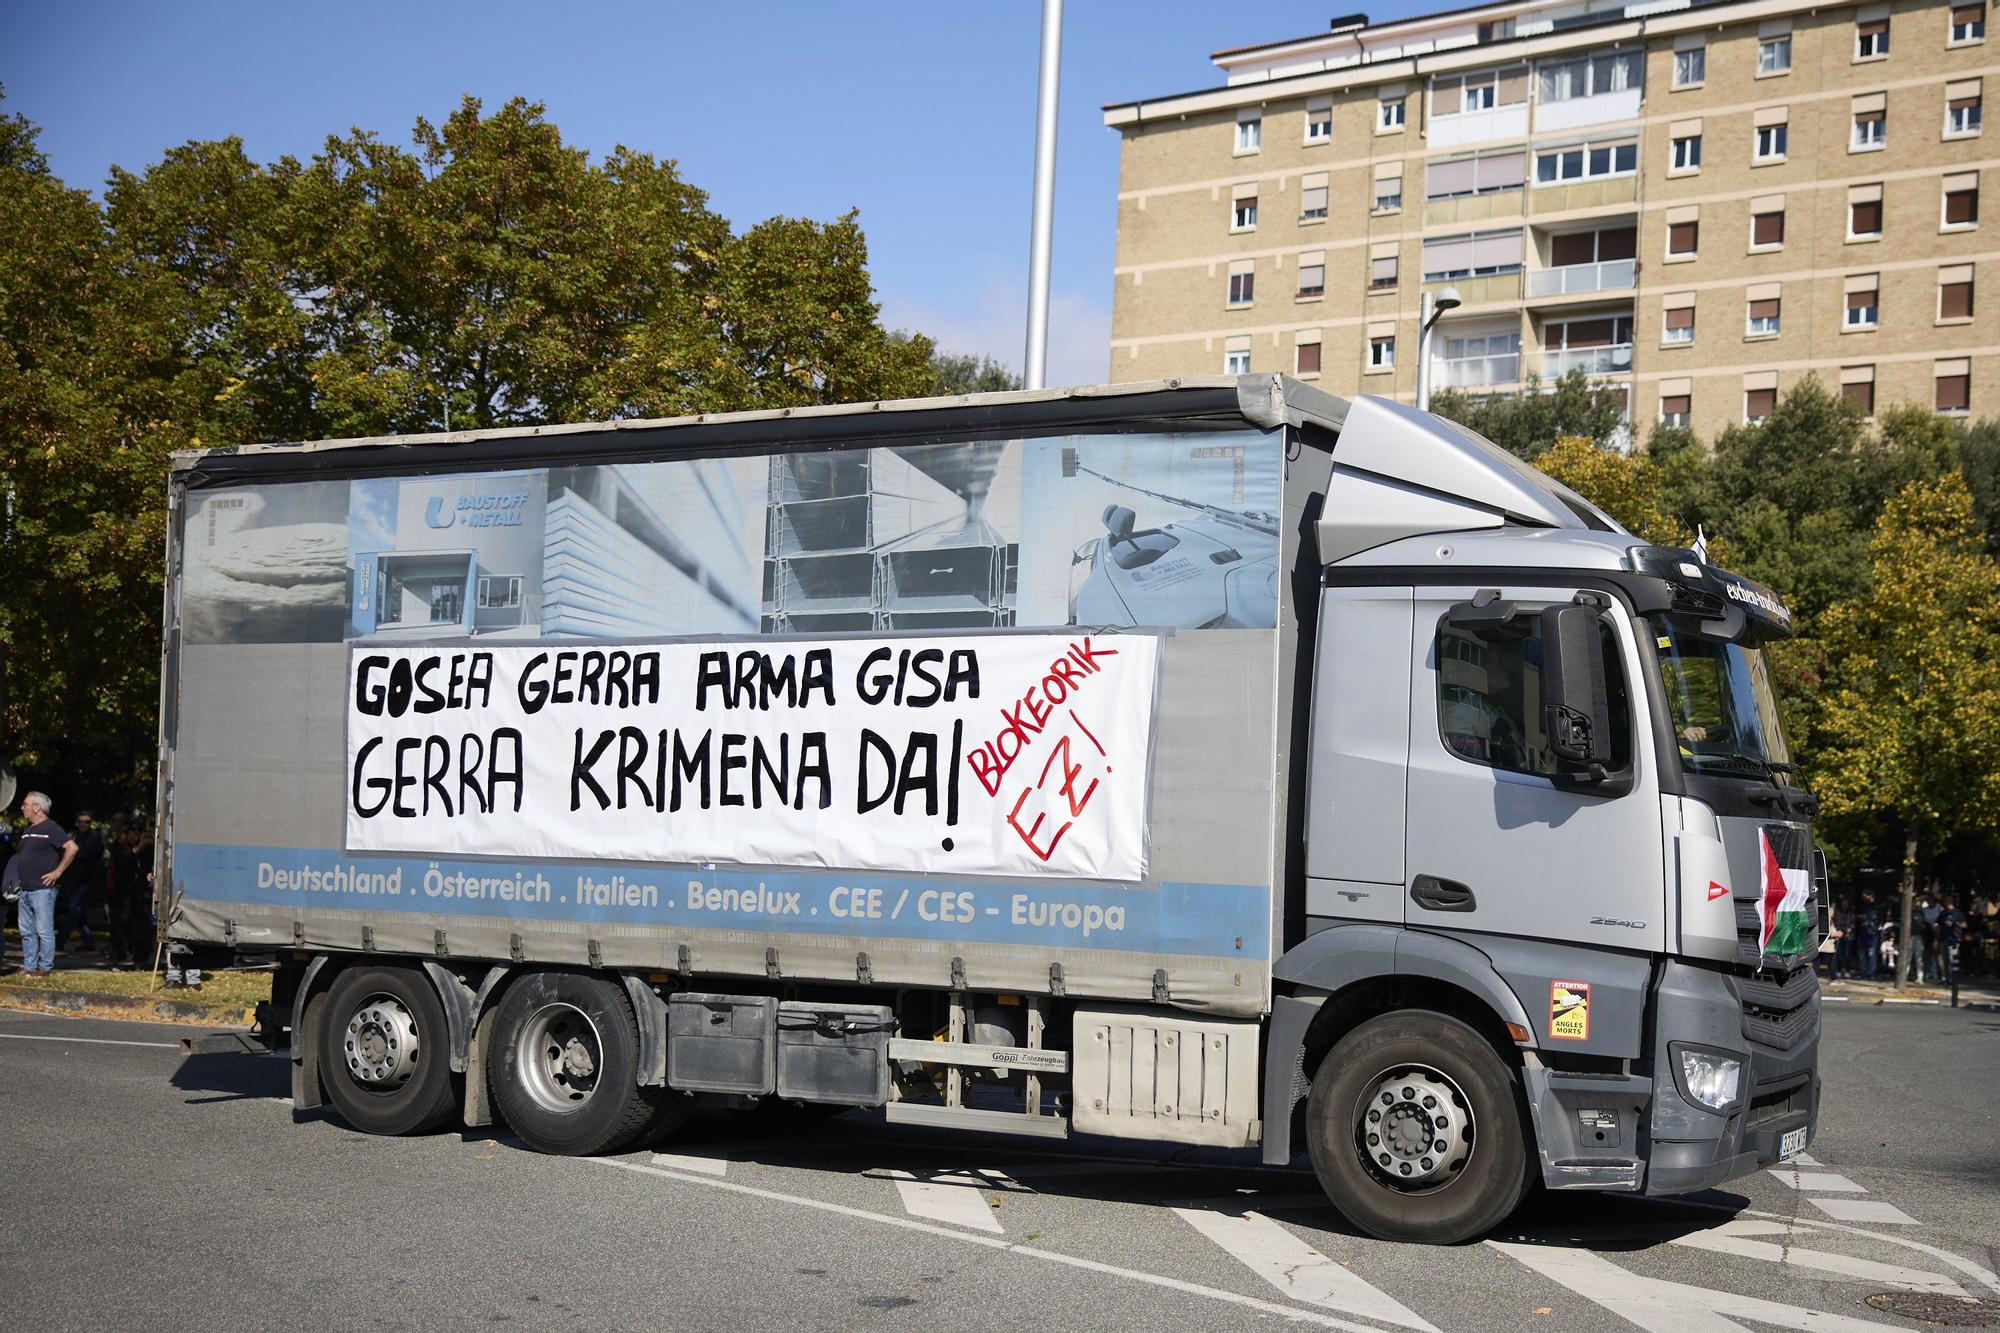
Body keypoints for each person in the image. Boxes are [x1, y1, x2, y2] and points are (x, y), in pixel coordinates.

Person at [15, 792, 77, 977]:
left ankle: (45, 967)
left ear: (37, 808)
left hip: (42, 890)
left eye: (25, 804)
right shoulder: (27, 830)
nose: (22, 807)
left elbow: (72, 847)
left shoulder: (51, 827)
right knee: (27, 931)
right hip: (25, 889)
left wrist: (58, 872)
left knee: (43, 930)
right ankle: (29, 966)